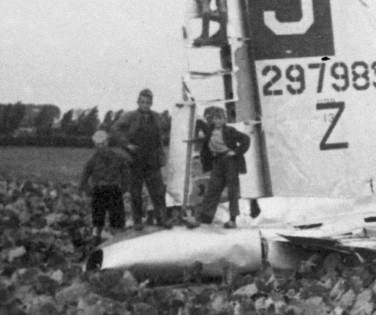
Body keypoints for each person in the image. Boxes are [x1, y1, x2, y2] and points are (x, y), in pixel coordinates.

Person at [112, 88, 171, 229]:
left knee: (158, 192)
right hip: (135, 159)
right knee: (136, 193)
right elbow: (115, 129)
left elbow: (166, 130)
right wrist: (126, 144)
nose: (145, 105)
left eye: (148, 102)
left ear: (151, 103)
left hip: (152, 160)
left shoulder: (157, 117)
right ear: (138, 102)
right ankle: (137, 222)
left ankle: (162, 220)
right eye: (142, 102)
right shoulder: (130, 116)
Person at [184, 106, 251, 229]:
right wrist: (199, 130)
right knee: (212, 190)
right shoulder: (209, 130)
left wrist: (236, 152)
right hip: (217, 162)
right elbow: (199, 122)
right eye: (215, 118)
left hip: (230, 162)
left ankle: (232, 220)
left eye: (220, 118)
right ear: (212, 120)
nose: (218, 121)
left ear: (224, 120)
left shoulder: (230, 131)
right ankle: (203, 218)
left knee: (232, 191)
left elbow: (246, 139)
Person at [78, 130, 131, 245]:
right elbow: (84, 177)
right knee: (97, 221)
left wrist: (124, 188)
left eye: (103, 143)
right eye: (98, 144)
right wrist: (88, 191)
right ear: (95, 145)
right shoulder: (92, 160)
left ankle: (118, 244)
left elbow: (126, 172)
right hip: (99, 191)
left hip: (114, 190)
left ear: (107, 142)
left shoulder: (118, 157)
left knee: (117, 221)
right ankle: (95, 244)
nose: (101, 146)